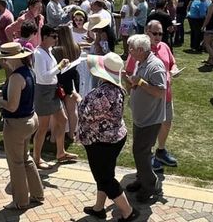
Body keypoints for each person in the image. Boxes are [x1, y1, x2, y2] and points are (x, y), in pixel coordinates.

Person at [77, 52, 140, 221]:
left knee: (105, 178)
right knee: (105, 173)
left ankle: (128, 212)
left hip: (100, 142)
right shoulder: (117, 89)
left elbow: (83, 114)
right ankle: (99, 208)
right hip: (115, 137)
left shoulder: (99, 94)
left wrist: (78, 99)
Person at [0, 43, 47, 209]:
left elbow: (12, 106)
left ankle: (20, 201)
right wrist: (3, 93)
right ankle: (37, 194)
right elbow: (20, 94)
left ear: (9, 59)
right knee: (26, 159)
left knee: (16, 164)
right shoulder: (29, 70)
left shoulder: (15, 77)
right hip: (30, 119)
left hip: (17, 124)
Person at [125, 20, 180, 169]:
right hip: (149, 101)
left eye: (161, 33)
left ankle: (160, 151)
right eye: (154, 33)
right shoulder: (138, 50)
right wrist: (132, 88)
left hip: (166, 96)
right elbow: (128, 72)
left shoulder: (165, 47)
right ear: (146, 32)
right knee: (148, 131)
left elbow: (172, 63)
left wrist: (174, 69)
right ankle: (148, 160)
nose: (158, 37)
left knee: (166, 123)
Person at [124, 34, 170, 202]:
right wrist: (128, 79)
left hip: (150, 120)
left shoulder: (155, 66)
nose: (129, 51)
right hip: (141, 118)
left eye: (132, 49)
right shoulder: (140, 62)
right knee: (140, 152)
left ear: (141, 50)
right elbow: (136, 84)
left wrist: (141, 82)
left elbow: (160, 92)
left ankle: (149, 185)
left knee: (140, 152)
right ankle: (141, 179)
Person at [30, 24, 76, 169]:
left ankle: (60, 153)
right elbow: (43, 76)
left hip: (53, 90)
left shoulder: (48, 51)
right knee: (43, 127)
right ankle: (36, 159)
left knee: (62, 120)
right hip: (44, 92)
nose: (57, 39)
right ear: (45, 37)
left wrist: (62, 67)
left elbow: (51, 72)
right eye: (54, 37)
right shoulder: (38, 54)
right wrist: (59, 67)